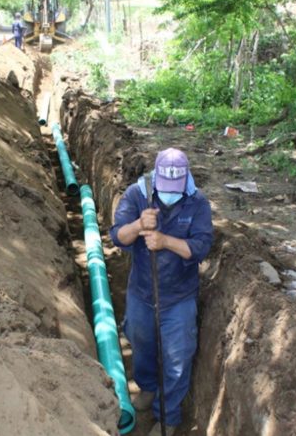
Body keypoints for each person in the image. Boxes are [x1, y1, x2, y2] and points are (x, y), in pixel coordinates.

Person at [110, 148, 213, 436]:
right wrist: (138, 225)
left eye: (175, 190)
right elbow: (118, 236)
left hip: (179, 297)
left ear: (185, 179)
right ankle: (147, 388)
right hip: (142, 293)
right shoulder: (137, 194)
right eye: (164, 189)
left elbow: (202, 247)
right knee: (141, 344)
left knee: (177, 360)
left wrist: (165, 241)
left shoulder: (197, 203)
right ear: (155, 177)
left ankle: (166, 416)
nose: (169, 195)